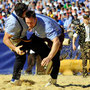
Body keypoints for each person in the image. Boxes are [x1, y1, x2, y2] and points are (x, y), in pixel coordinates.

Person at [25, 10, 64, 86]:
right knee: (30, 42)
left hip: (57, 35)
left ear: (35, 19)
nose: (29, 25)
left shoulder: (46, 26)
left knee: (55, 58)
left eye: (31, 23)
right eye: (27, 23)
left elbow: (56, 41)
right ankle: (47, 56)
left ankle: (53, 79)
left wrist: (49, 57)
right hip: (41, 34)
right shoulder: (28, 18)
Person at [3, 3, 29, 85]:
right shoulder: (13, 22)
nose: (28, 12)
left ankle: (17, 77)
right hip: (15, 40)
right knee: (20, 57)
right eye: (26, 11)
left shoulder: (21, 14)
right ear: (22, 12)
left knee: (23, 57)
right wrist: (15, 48)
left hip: (22, 37)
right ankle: (14, 79)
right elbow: (5, 39)